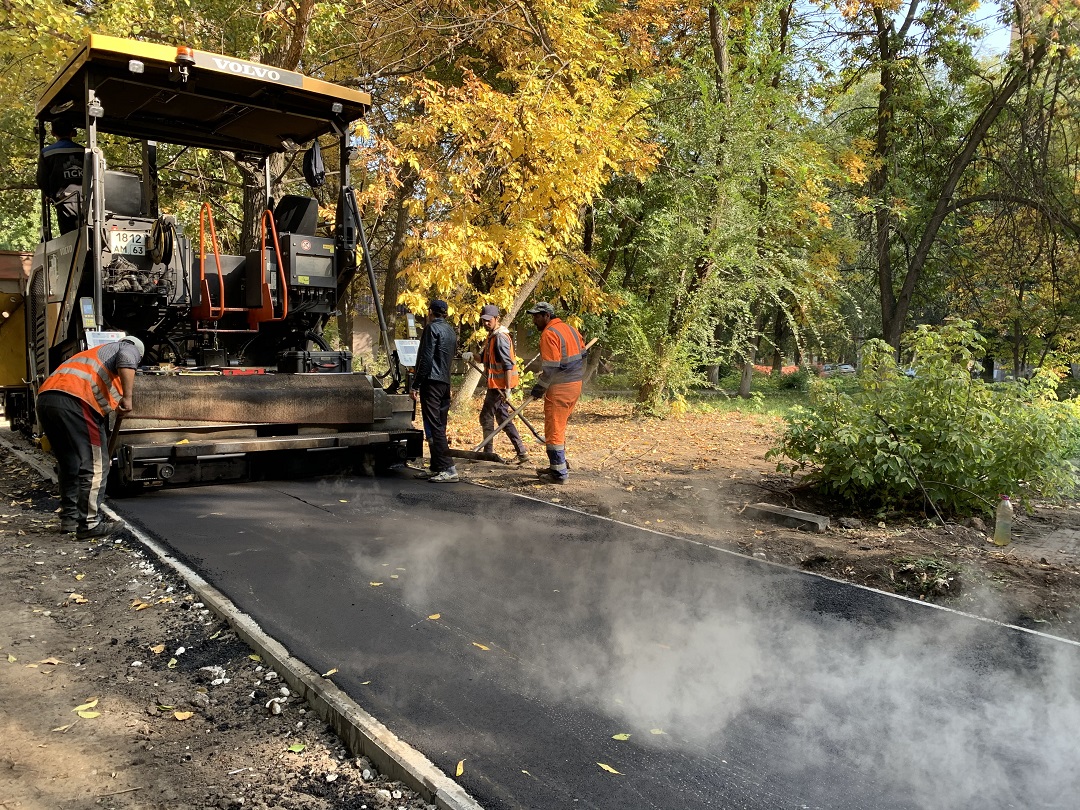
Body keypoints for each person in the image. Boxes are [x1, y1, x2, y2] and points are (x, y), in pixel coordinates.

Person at [36, 336, 144, 539]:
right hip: (77, 401)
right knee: (96, 465)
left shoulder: (92, 356)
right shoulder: (126, 347)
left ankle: (70, 519)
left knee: (70, 464)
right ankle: (89, 524)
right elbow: (127, 357)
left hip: (47, 400)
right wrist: (128, 398)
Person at [526, 302, 586, 484]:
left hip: (560, 388)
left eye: (537, 316)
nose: (534, 320)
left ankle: (559, 474)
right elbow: (583, 354)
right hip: (575, 385)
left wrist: (540, 387)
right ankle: (556, 466)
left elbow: (551, 368)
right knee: (558, 428)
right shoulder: (570, 329)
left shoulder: (549, 334)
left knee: (554, 431)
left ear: (546, 316)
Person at [409, 300, 458, 482]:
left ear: (431, 312)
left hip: (431, 382)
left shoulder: (431, 329)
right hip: (445, 382)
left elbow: (426, 358)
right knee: (440, 425)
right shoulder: (450, 330)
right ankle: (437, 466)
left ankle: (448, 468)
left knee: (434, 425)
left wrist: (415, 384)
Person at [474, 304, 529, 465]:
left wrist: (507, 389)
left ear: (496, 319)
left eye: (488, 320)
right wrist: (471, 356)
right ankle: (522, 452)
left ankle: (487, 453)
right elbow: (483, 358)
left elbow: (507, 365)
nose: (485, 323)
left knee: (486, 416)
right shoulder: (492, 337)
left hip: (501, 387)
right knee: (503, 418)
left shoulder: (500, 338)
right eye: (483, 320)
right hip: (495, 385)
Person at [36, 118, 85, 236]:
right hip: (85, 200)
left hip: (63, 201)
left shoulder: (47, 152)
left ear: (52, 133)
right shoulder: (84, 151)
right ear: (72, 132)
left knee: (69, 238)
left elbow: (42, 180)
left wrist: (50, 196)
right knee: (86, 234)